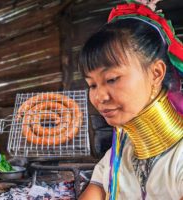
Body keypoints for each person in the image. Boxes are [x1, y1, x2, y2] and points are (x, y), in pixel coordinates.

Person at [78, 1, 183, 200]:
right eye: (92, 85)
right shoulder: (120, 152)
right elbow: (97, 189)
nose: (99, 97)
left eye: (111, 79)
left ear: (156, 73)